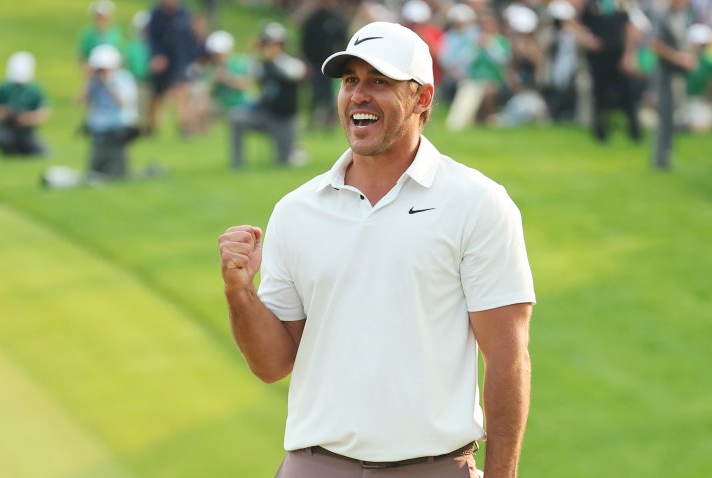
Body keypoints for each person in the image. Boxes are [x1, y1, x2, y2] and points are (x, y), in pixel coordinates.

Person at [218, 21, 535, 478]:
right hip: (315, 466)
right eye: (351, 82)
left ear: (422, 98)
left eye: (379, 82)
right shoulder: (296, 211)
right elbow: (271, 364)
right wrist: (239, 294)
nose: (358, 96)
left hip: (433, 468)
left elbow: (508, 357)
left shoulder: (478, 204)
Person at [230, 23, 306, 169]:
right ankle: (237, 164)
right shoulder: (261, 65)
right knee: (237, 118)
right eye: (266, 44)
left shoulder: (290, 62)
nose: (270, 48)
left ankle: (294, 149)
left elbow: (297, 72)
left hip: (285, 120)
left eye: (274, 44)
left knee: (283, 161)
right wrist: (252, 51)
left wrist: (275, 60)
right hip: (265, 116)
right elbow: (248, 70)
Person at [574, 0, 643, 142]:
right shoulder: (591, 5)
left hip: (618, 54)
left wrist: (629, 54)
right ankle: (601, 132)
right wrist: (587, 40)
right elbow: (577, 24)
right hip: (599, 57)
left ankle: (634, 131)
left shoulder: (621, 4)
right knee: (599, 95)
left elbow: (629, 27)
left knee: (627, 94)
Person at [650, 0, 696, 170]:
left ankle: (667, 156)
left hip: (678, 73)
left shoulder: (684, 16)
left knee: (674, 116)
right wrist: (678, 57)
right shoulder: (662, 16)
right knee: (665, 116)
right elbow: (656, 43)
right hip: (665, 73)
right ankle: (660, 159)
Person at [81, 44, 139, 180]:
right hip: (99, 130)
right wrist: (89, 80)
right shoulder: (93, 81)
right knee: (94, 172)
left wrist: (108, 83)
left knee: (120, 173)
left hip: (117, 130)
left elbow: (123, 103)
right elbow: (82, 101)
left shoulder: (124, 78)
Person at [146, 0, 196, 135]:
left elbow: (188, 39)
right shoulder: (156, 14)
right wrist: (156, 56)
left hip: (179, 61)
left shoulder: (183, 13)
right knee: (157, 96)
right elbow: (152, 39)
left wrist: (189, 59)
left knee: (180, 93)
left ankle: (184, 128)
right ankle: (153, 128)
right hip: (161, 60)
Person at [0, 51, 50, 157]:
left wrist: (26, 118)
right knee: (3, 139)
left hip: (26, 130)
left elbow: (43, 113)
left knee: (38, 152)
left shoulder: (34, 90)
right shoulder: (3, 88)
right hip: (6, 127)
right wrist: (5, 113)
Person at [299, 0, 348, 129]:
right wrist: (306, 63)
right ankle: (314, 121)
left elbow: (343, 41)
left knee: (330, 94)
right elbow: (304, 44)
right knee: (315, 94)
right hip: (315, 64)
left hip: (332, 64)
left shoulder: (337, 19)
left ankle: (329, 122)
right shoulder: (311, 20)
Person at [77, 0, 123, 70]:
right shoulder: (88, 35)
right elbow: (81, 58)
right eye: (99, 17)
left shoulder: (116, 34)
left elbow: (121, 55)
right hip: (94, 72)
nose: (102, 20)